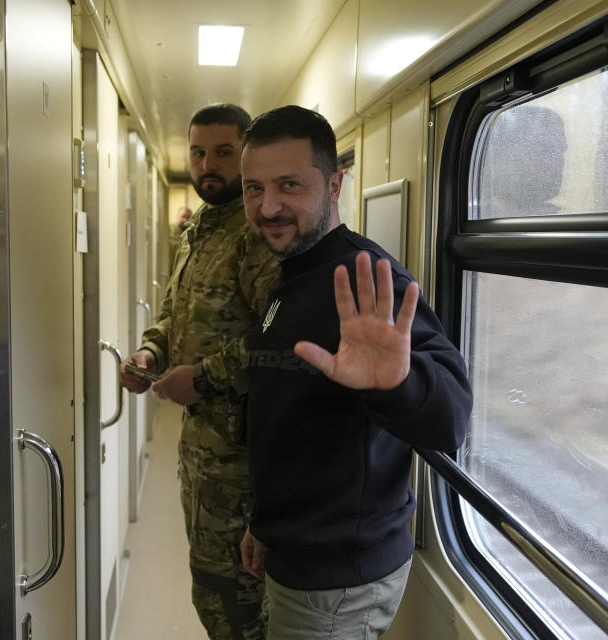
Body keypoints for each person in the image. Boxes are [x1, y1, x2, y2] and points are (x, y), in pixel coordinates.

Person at [237, 105, 471, 639]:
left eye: (289, 185)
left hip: (337, 582)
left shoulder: (366, 278)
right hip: (298, 550)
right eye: (253, 189)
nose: (267, 206)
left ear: (336, 182)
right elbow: (289, 419)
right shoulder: (294, 272)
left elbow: (450, 420)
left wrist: (398, 383)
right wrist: (265, 523)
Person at [119, 103, 279, 640]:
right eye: (198, 151)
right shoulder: (196, 233)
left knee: (237, 606)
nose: (208, 164)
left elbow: (279, 344)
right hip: (200, 455)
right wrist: (150, 354)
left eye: (224, 152)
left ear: (246, 156)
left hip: (243, 466)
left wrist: (203, 378)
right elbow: (172, 316)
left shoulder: (258, 237)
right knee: (211, 593)